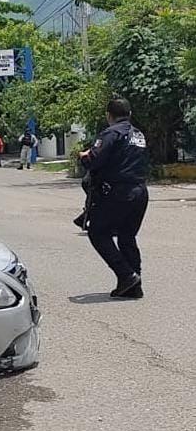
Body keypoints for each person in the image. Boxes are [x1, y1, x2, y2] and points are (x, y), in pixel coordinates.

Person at [79, 98, 149, 299]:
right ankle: (134, 285)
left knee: (98, 232)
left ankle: (127, 275)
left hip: (118, 192)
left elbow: (94, 160)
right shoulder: (138, 134)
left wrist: (84, 156)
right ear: (130, 114)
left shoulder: (112, 133)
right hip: (140, 191)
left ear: (108, 115)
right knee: (127, 236)